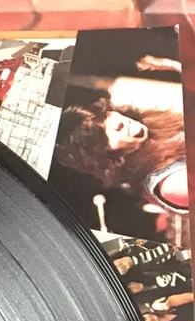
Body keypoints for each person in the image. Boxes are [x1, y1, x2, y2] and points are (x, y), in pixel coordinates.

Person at [56, 56, 186, 215]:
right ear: (104, 159)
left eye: (103, 114)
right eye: (101, 135)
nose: (117, 123)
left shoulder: (156, 127)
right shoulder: (169, 182)